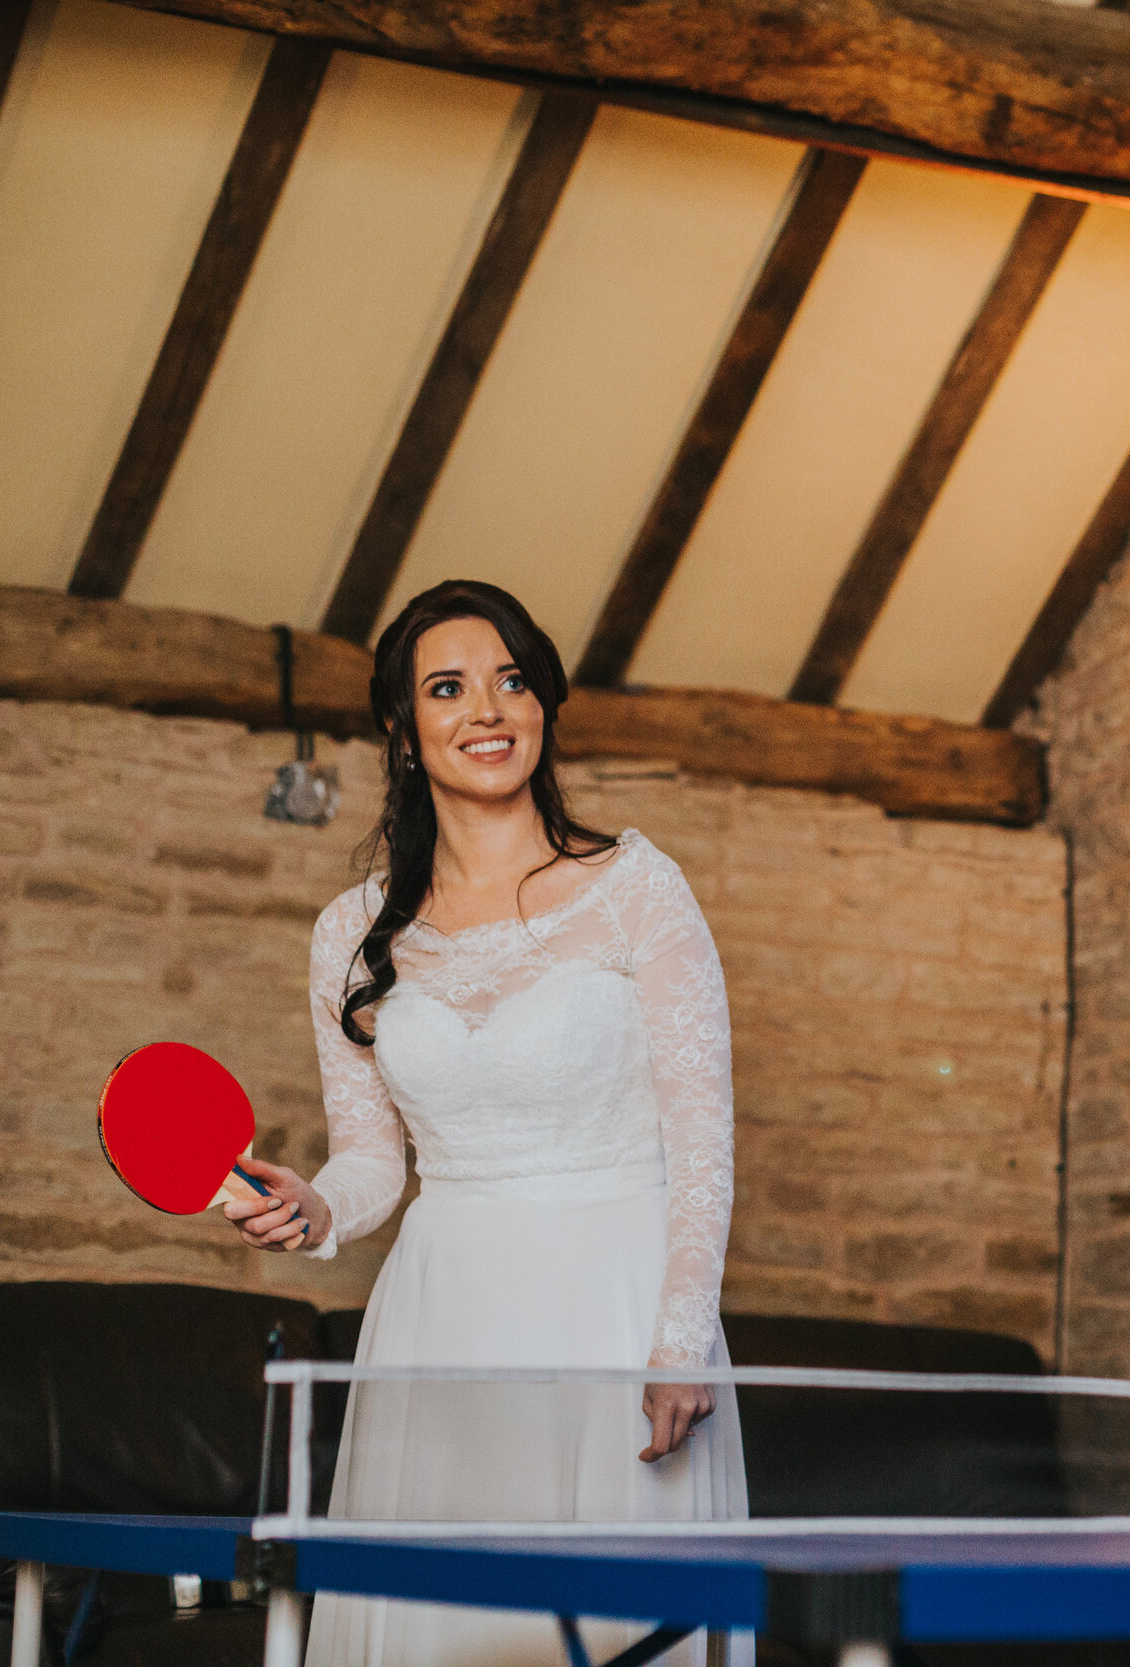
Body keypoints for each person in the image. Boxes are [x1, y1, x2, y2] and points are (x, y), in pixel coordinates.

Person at [223, 580, 748, 1667]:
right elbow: (376, 1159)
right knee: (446, 1632)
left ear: (544, 706)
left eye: (512, 679)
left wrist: (679, 1339)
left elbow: (702, 1141)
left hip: (616, 1306)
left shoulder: (638, 888)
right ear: (403, 729)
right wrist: (318, 1204)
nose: (487, 709)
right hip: (441, 1328)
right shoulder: (348, 934)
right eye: (449, 686)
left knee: (616, 1630)